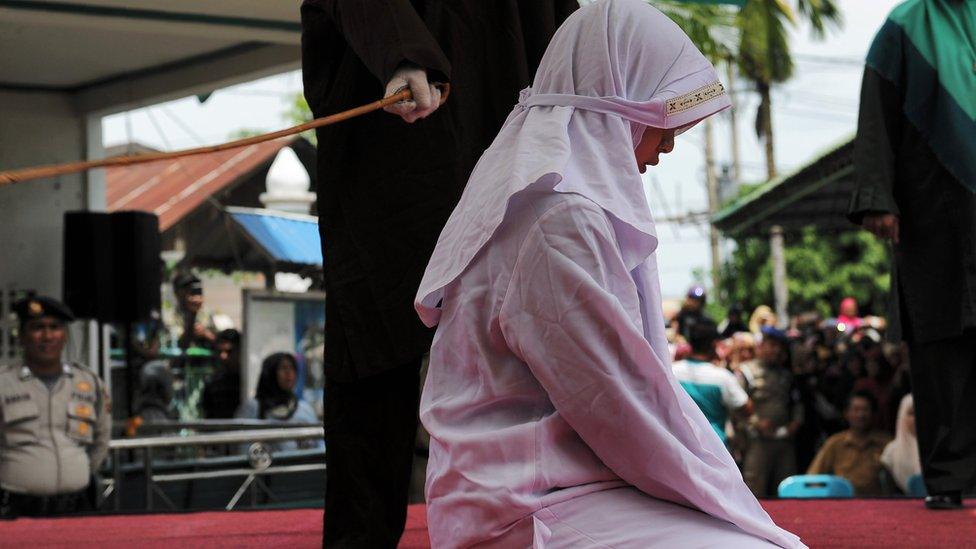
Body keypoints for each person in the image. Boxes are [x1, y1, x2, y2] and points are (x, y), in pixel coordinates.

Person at [414, 1, 803, 547]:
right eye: (661, 123)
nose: (667, 145)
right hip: (529, 502)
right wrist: (730, 497)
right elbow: (620, 408)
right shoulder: (559, 216)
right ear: (618, 105)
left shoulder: (543, 199)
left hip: (540, 486)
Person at [300, 0, 578, 545]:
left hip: (513, 140)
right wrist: (400, 53)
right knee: (373, 360)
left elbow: (567, 27)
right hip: (400, 143)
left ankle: (540, 532)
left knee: (532, 363)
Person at [848, 0, 976, 510]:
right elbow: (875, 112)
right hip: (933, 211)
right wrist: (878, 196)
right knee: (939, 343)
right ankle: (946, 478)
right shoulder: (902, 28)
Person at [0, 296, 111, 519]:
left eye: (55, 328)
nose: (47, 336)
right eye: (37, 328)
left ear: (65, 336)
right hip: (16, 510)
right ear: (21, 336)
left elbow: (101, 439)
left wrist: (78, 471)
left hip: (77, 506)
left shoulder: (89, 382)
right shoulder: (4, 383)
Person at [740, 327, 804, 498]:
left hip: (784, 440)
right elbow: (737, 408)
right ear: (761, 346)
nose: (776, 350)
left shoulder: (786, 375)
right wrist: (756, 423)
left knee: (787, 489)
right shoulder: (747, 371)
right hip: (757, 441)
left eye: (780, 347)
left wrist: (796, 423)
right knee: (754, 491)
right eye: (772, 345)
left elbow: (797, 403)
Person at [672, 319, 752, 446]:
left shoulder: (672, 372)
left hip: (681, 447)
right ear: (714, 345)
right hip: (715, 449)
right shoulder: (722, 378)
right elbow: (746, 408)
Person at [807, 391, 892, 496]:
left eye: (865, 410)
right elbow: (813, 478)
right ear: (846, 413)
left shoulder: (886, 443)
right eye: (856, 410)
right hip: (841, 504)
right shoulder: (834, 443)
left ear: (874, 413)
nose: (861, 415)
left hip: (879, 504)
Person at [236, 353, 323, 452]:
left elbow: (319, 445)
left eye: (292, 368)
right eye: (283, 368)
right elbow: (242, 448)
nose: (289, 373)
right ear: (270, 373)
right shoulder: (253, 407)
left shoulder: (303, 408)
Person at [881, 394, 922, 494]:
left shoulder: (938, 448)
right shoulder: (891, 451)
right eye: (911, 413)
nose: (917, 417)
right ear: (902, 416)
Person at [200, 329, 242, 419]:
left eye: (229, 352)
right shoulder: (213, 384)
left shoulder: (248, 382)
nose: (223, 356)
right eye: (220, 352)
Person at [171, 273, 217, 351]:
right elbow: (179, 345)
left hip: (205, 361)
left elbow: (219, 343)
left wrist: (206, 334)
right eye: (186, 288)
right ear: (177, 292)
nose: (190, 291)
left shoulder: (206, 313)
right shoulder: (172, 316)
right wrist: (192, 315)